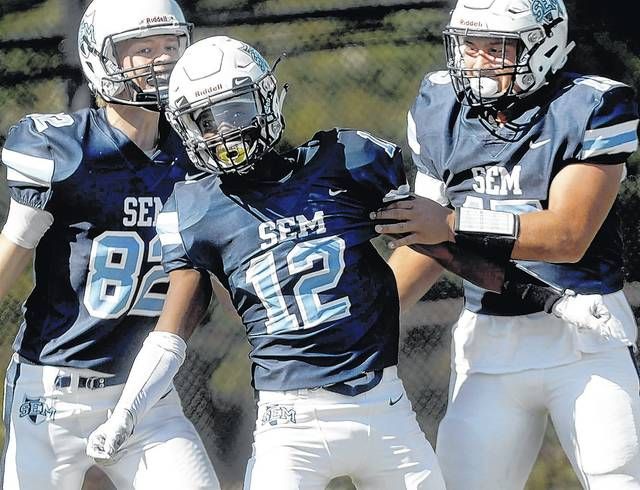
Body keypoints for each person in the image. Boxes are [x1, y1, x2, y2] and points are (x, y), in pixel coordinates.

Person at [85, 35, 448, 490]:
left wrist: (544, 297)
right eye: (206, 120)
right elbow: (169, 335)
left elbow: (442, 246)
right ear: (185, 127)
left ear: (267, 97)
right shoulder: (196, 208)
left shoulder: (347, 161)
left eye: (235, 110)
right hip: (288, 424)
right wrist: (125, 415)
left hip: (385, 406)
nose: (225, 131)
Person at [373, 0, 640, 488]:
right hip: (490, 342)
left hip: (585, 334)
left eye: (494, 48)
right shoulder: (441, 107)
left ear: (545, 46)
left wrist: (452, 222)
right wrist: (365, 318)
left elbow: (566, 236)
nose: (475, 60)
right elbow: (424, 240)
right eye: (467, 45)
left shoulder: (590, 105)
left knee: (617, 478)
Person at [0, 0, 220, 488]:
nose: (162, 60)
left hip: (148, 396)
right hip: (52, 392)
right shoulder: (62, 148)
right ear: (100, 58)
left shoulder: (200, 154)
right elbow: (12, 251)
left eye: (170, 46)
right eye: (142, 50)